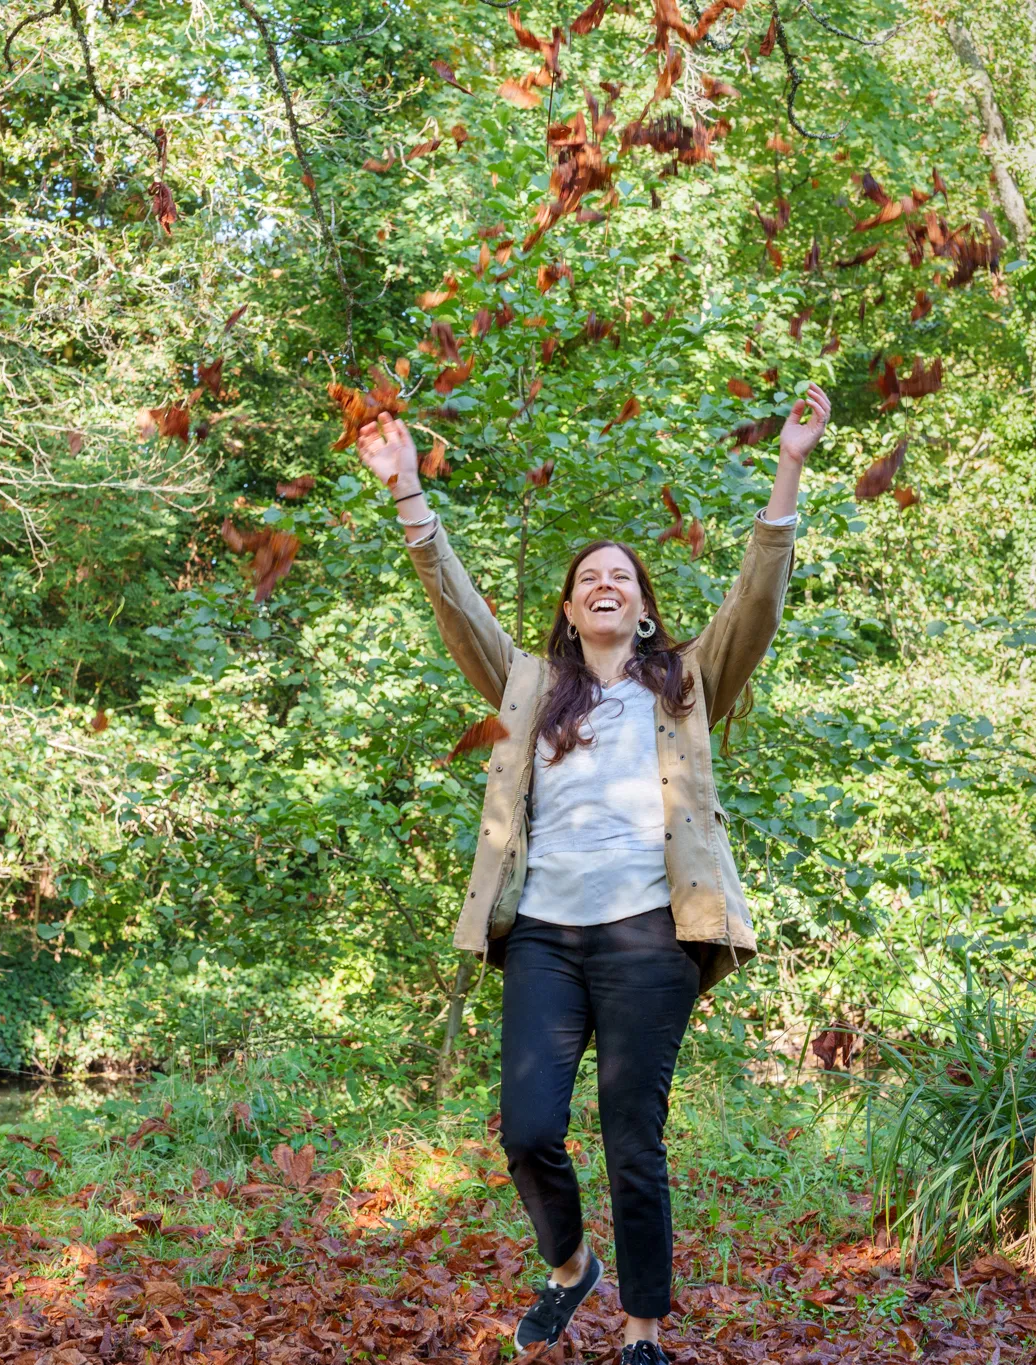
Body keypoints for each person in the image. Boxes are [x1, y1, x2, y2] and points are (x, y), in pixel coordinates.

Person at [354, 383, 830, 1365]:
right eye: (588, 579)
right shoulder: (528, 684)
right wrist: (406, 490)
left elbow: (756, 598)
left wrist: (786, 467)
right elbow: (457, 605)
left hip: (651, 938)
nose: (606, 583)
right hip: (543, 939)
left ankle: (644, 1334)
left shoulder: (687, 683)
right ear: (569, 611)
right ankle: (571, 1270)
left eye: (624, 577)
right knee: (527, 1128)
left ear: (645, 610)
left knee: (632, 1141)